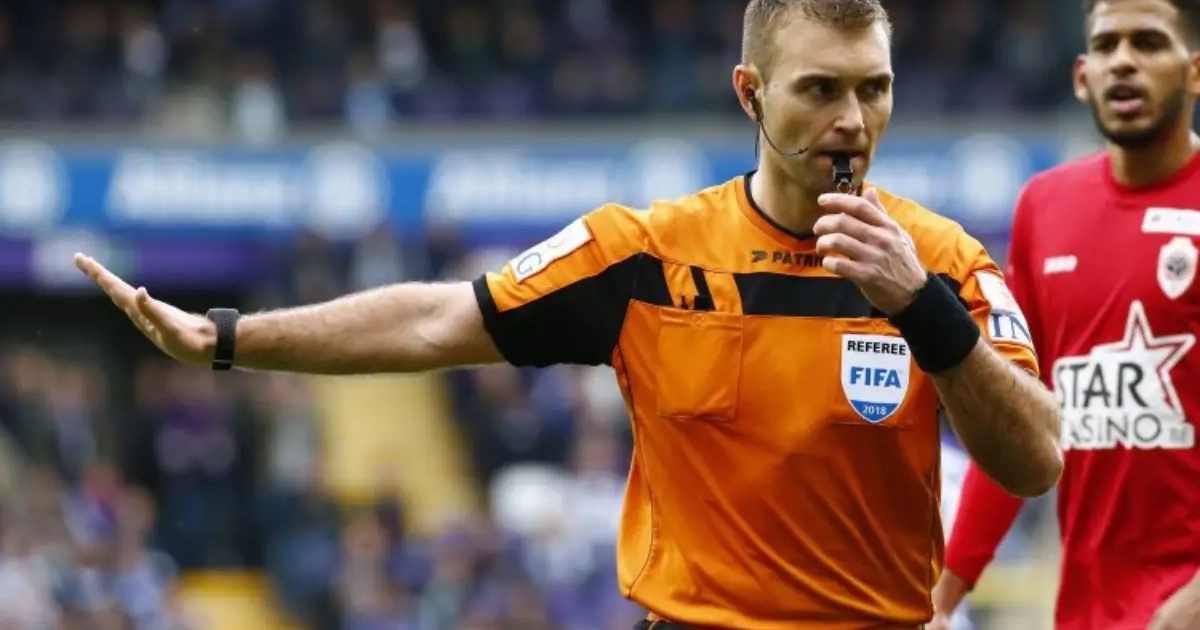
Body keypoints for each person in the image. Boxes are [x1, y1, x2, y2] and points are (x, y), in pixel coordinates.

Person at [76, 0, 1063, 628]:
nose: (851, 120)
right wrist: (227, 337)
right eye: (821, 89)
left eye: (873, 89)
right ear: (751, 95)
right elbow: (437, 321)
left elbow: (1035, 458)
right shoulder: (646, 254)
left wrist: (922, 309)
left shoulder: (942, 262)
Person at [928, 0, 1200, 629]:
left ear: (1194, 72)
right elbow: (1016, 425)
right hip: (1086, 613)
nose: (1123, 62)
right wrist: (944, 597)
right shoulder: (1045, 208)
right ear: (1082, 76)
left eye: (1148, 43)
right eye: (1106, 45)